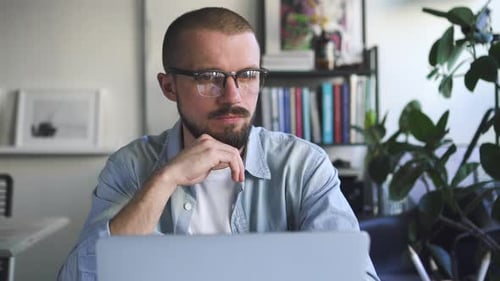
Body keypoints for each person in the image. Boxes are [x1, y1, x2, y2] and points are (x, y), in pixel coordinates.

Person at [58, 7, 378, 281]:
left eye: (248, 74)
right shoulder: (130, 167)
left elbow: (355, 274)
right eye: (209, 77)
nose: (233, 96)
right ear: (169, 87)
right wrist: (166, 178)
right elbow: (81, 276)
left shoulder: (303, 166)